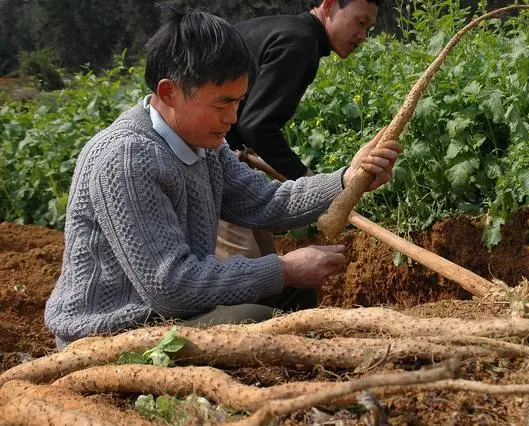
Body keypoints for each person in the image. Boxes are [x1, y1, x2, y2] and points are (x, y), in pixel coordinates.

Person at [44, 9, 400, 349]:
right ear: (170, 92)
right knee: (260, 321)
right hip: (113, 328)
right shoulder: (125, 158)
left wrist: (346, 179)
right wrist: (283, 268)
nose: (233, 118)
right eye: (221, 104)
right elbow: (169, 287)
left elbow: (268, 202)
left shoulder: (204, 147)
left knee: (295, 297)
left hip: (165, 311)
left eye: (238, 102)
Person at [217, 0, 383, 260]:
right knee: (248, 275)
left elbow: (250, 120)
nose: (362, 36)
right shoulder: (300, 42)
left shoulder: (293, 33)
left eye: (368, 29)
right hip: (211, 166)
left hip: (229, 164)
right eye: (359, 23)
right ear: (329, 6)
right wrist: (303, 176)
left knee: (266, 267)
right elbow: (257, 125)